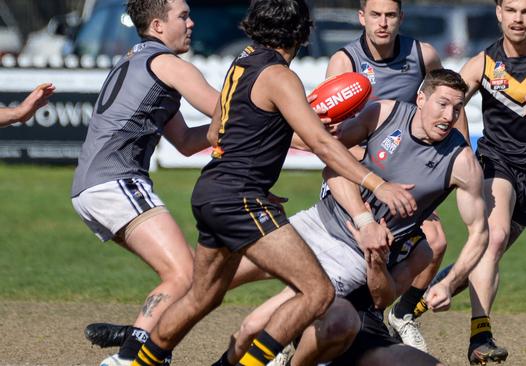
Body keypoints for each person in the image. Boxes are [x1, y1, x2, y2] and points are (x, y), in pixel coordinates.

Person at [129, 1, 417, 365]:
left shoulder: (242, 61)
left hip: (212, 191)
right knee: (317, 292)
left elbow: (220, 128)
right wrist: (378, 184)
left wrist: (263, 159)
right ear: (304, 32)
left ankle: (138, 362)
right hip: (239, 199)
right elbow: (322, 144)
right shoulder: (280, 76)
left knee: (202, 297)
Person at [211, 68, 489, 366]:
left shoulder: (461, 163)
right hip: (317, 220)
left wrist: (449, 283)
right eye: (443, 104)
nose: (449, 116)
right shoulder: (384, 113)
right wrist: (365, 215)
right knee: (212, 278)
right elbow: (333, 158)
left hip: (352, 256)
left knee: (255, 326)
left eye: (457, 108)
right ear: (421, 98)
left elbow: (480, 233)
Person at [399, 0, 526, 364]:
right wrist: (455, 149)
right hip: (496, 164)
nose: (518, 18)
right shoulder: (482, 64)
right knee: (493, 238)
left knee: (482, 259)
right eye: (511, 10)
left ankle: (408, 309)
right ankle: (480, 339)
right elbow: (449, 103)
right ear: (498, 13)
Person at [70, 0, 221, 365]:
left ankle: (135, 334)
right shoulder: (168, 63)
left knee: (180, 274)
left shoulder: (136, 60)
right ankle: (128, 356)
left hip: (90, 188)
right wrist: (297, 118)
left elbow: (186, 142)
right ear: (157, 25)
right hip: (115, 181)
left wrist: (224, 133)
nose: (191, 22)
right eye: (183, 16)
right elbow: (230, 111)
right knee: (184, 274)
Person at [326, 0, 454, 352]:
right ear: (361, 17)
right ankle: (323, 323)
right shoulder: (345, 61)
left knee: (437, 243)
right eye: (376, 15)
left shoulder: (422, 54)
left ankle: (401, 313)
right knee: (357, 258)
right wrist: (368, 179)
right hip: (361, 177)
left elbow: (447, 100)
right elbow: (334, 135)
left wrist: (460, 154)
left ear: (401, 18)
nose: (383, 23)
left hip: (410, 174)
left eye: (391, 15)